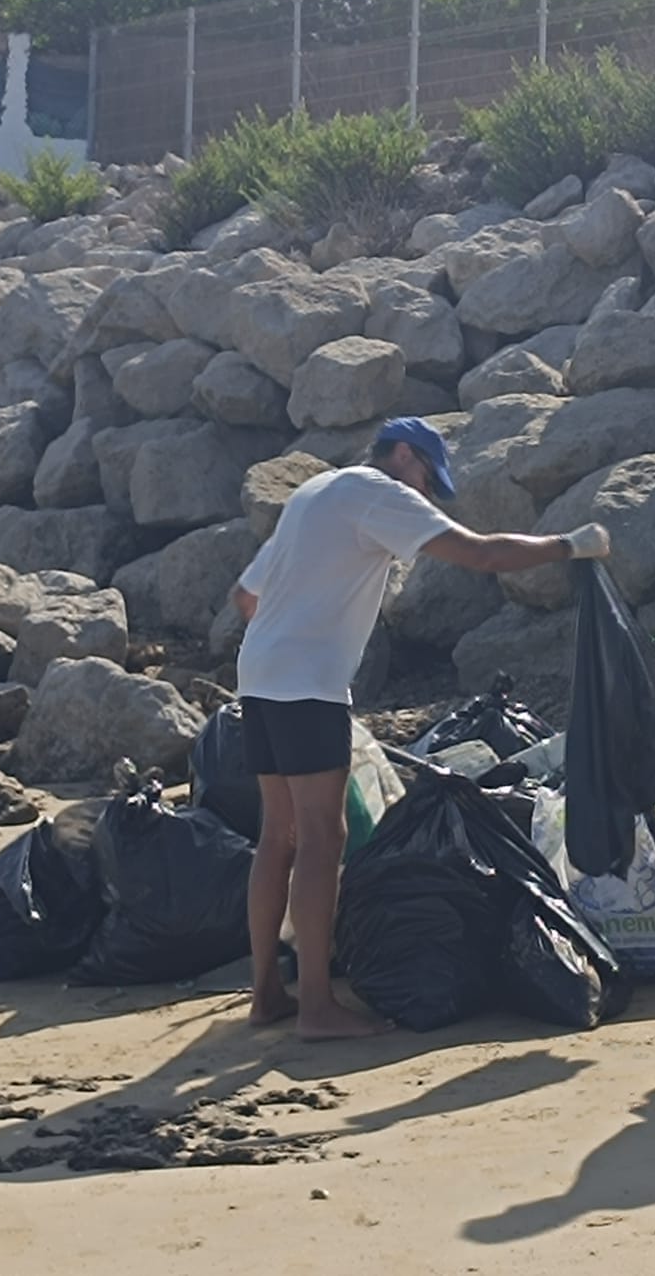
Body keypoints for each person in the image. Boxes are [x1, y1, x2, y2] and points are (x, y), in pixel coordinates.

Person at [230, 417, 610, 1042]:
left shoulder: (314, 493)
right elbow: (483, 554)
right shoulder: (380, 493)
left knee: (279, 834)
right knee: (325, 836)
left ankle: (267, 990)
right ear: (403, 456)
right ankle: (319, 1007)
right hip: (308, 683)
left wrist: (312, 604)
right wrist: (569, 545)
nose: (427, 495)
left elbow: (246, 597)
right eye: (428, 478)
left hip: (261, 673)